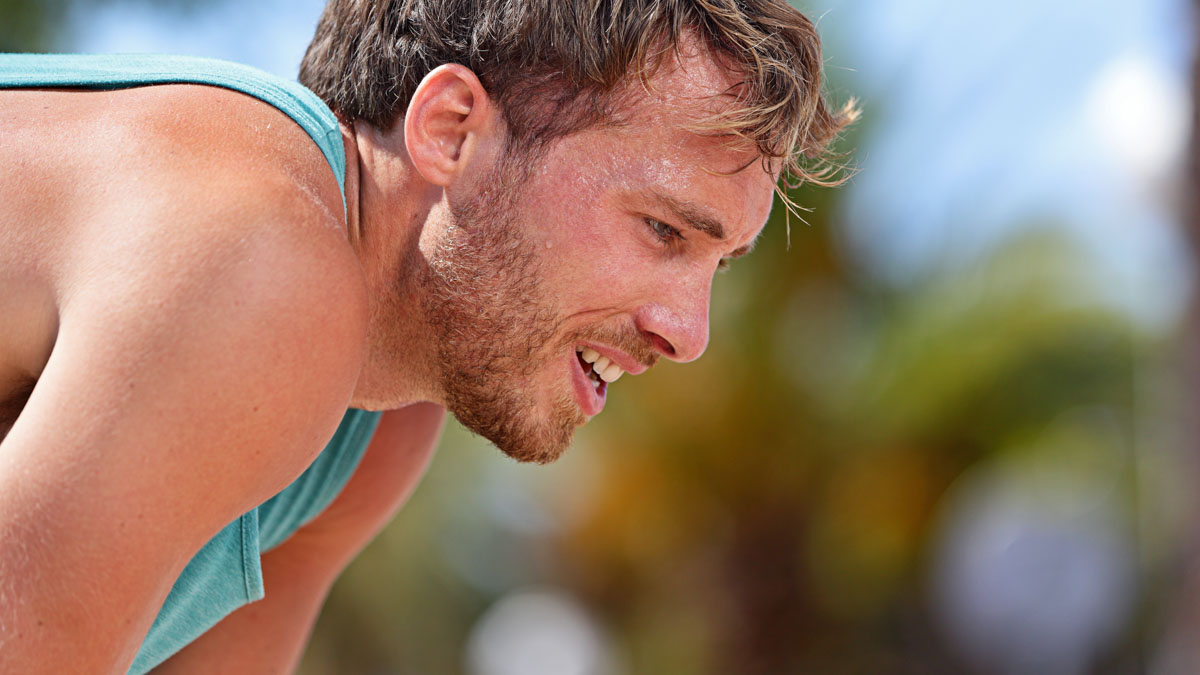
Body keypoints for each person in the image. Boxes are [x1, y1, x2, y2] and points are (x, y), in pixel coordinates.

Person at [0, 0, 854, 671]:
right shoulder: (260, 259)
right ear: (452, 131)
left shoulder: (376, 427)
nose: (690, 333)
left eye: (721, 264)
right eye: (665, 230)